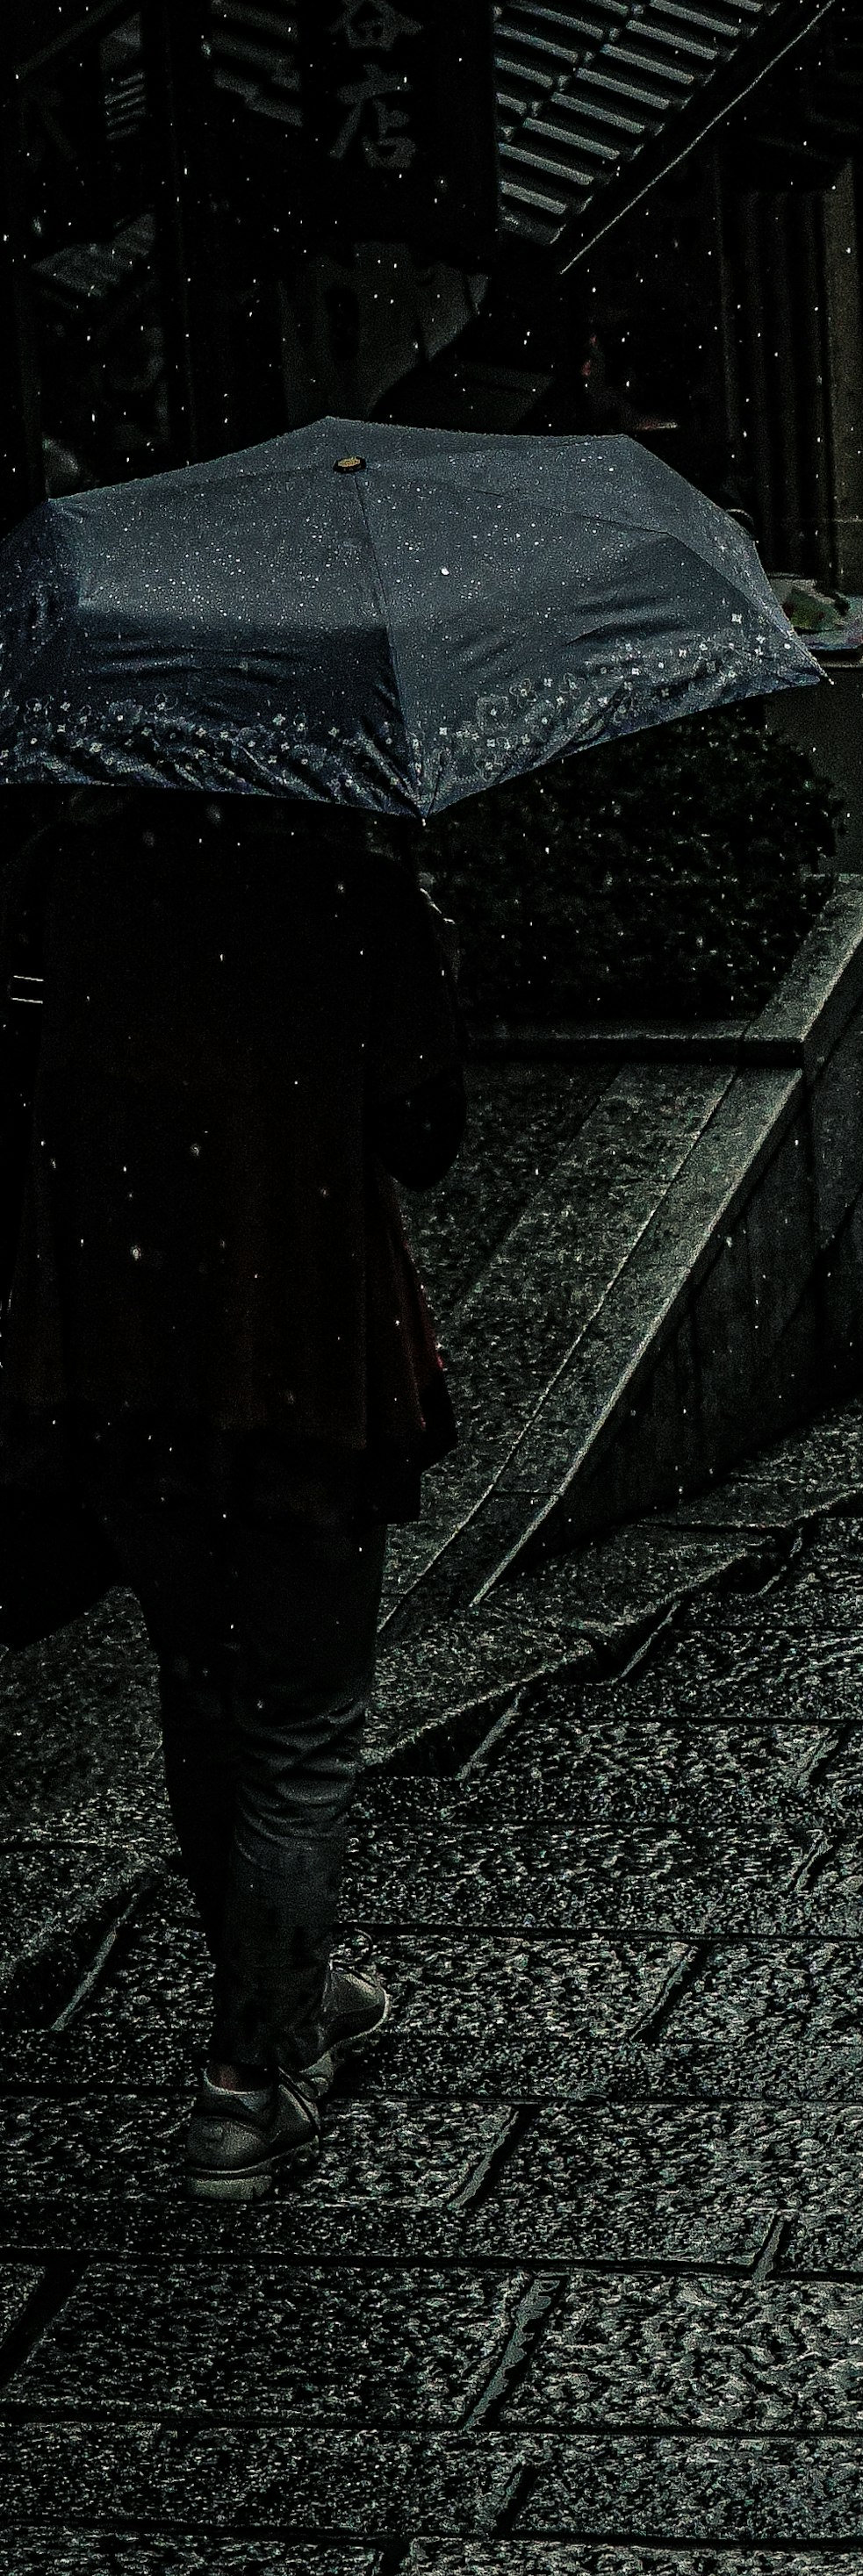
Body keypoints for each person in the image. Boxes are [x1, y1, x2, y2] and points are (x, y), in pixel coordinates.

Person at [0, 794, 465, 2199]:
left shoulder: (63, 874)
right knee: (305, 1718)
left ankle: (287, 1991)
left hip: (120, 1354)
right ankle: (249, 2079)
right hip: (302, 1362)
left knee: (202, 1690)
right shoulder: (354, 895)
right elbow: (426, 1135)